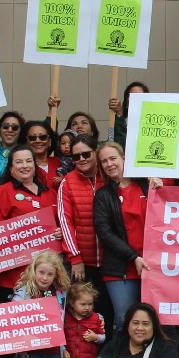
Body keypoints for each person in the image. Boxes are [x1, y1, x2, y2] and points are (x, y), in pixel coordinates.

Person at [93, 142, 159, 332]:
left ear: (124, 158)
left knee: (155, 321)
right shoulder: (103, 195)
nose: (109, 164)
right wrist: (134, 257)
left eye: (113, 158)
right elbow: (105, 232)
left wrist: (159, 187)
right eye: (104, 161)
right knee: (124, 320)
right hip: (120, 269)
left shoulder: (147, 186)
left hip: (153, 265)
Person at [0, 144, 59, 304]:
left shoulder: (50, 194)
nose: (25, 166)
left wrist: (59, 233)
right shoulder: (2, 192)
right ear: (11, 168)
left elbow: (59, 225)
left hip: (42, 276)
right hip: (9, 275)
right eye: (19, 162)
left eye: (28, 161)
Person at [57, 135, 111, 333]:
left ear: (96, 152)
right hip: (83, 264)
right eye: (76, 156)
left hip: (111, 260)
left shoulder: (108, 177)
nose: (81, 159)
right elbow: (65, 222)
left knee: (107, 313)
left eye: (86, 154)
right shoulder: (67, 183)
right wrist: (75, 257)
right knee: (80, 316)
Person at [0, 111, 26, 191]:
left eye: (15, 127)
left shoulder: (26, 155)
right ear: (0, 129)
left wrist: (51, 110)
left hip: (19, 200)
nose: (10, 130)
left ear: (20, 131)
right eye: (5, 126)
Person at [108, 81, 148, 146]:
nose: (135, 98)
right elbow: (112, 140)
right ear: (126, 102)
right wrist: (119, 114)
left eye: (139, 95)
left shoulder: (154, 122)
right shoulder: (116, 120)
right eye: (131, 95)